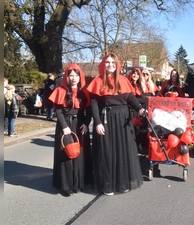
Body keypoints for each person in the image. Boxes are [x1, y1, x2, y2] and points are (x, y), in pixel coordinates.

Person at [86, 52, 145, 195]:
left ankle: (122, 182)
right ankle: (107, 184)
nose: (110, 65)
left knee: (122, 151)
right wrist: (97, 123)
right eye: (107, 62)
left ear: (117, 65)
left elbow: (131, 98)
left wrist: (140, 109)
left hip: (123, 119)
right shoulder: (97, 81)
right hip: (106, 118)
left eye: (113, 62)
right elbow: (93, 105)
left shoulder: (124, 80)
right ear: (103, 64)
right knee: (107, 151)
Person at [48, 64, 92, 196]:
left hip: (80, 124)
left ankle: (79, 183)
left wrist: (86, 123)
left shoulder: (84, 91)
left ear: (80, 76)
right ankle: (65, 185)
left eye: (76, 75)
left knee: (80, 154)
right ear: (67, 76)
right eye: (71, 75)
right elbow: (59, 112)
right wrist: (64, 127)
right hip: (65, 125)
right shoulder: (60, 90)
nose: (73, 78)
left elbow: (88, 110)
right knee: (66, 154)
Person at [127, 68, 148, 154]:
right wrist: (141, 100)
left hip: (138, 111)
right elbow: (130, 99)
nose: (135, 75)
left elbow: (142, 98)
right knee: (131, 130)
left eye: (137, 74)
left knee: (139, 129)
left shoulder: (139, 85)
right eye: (134, 74)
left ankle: (137, 146)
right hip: (130, 111)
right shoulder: (128, 85)